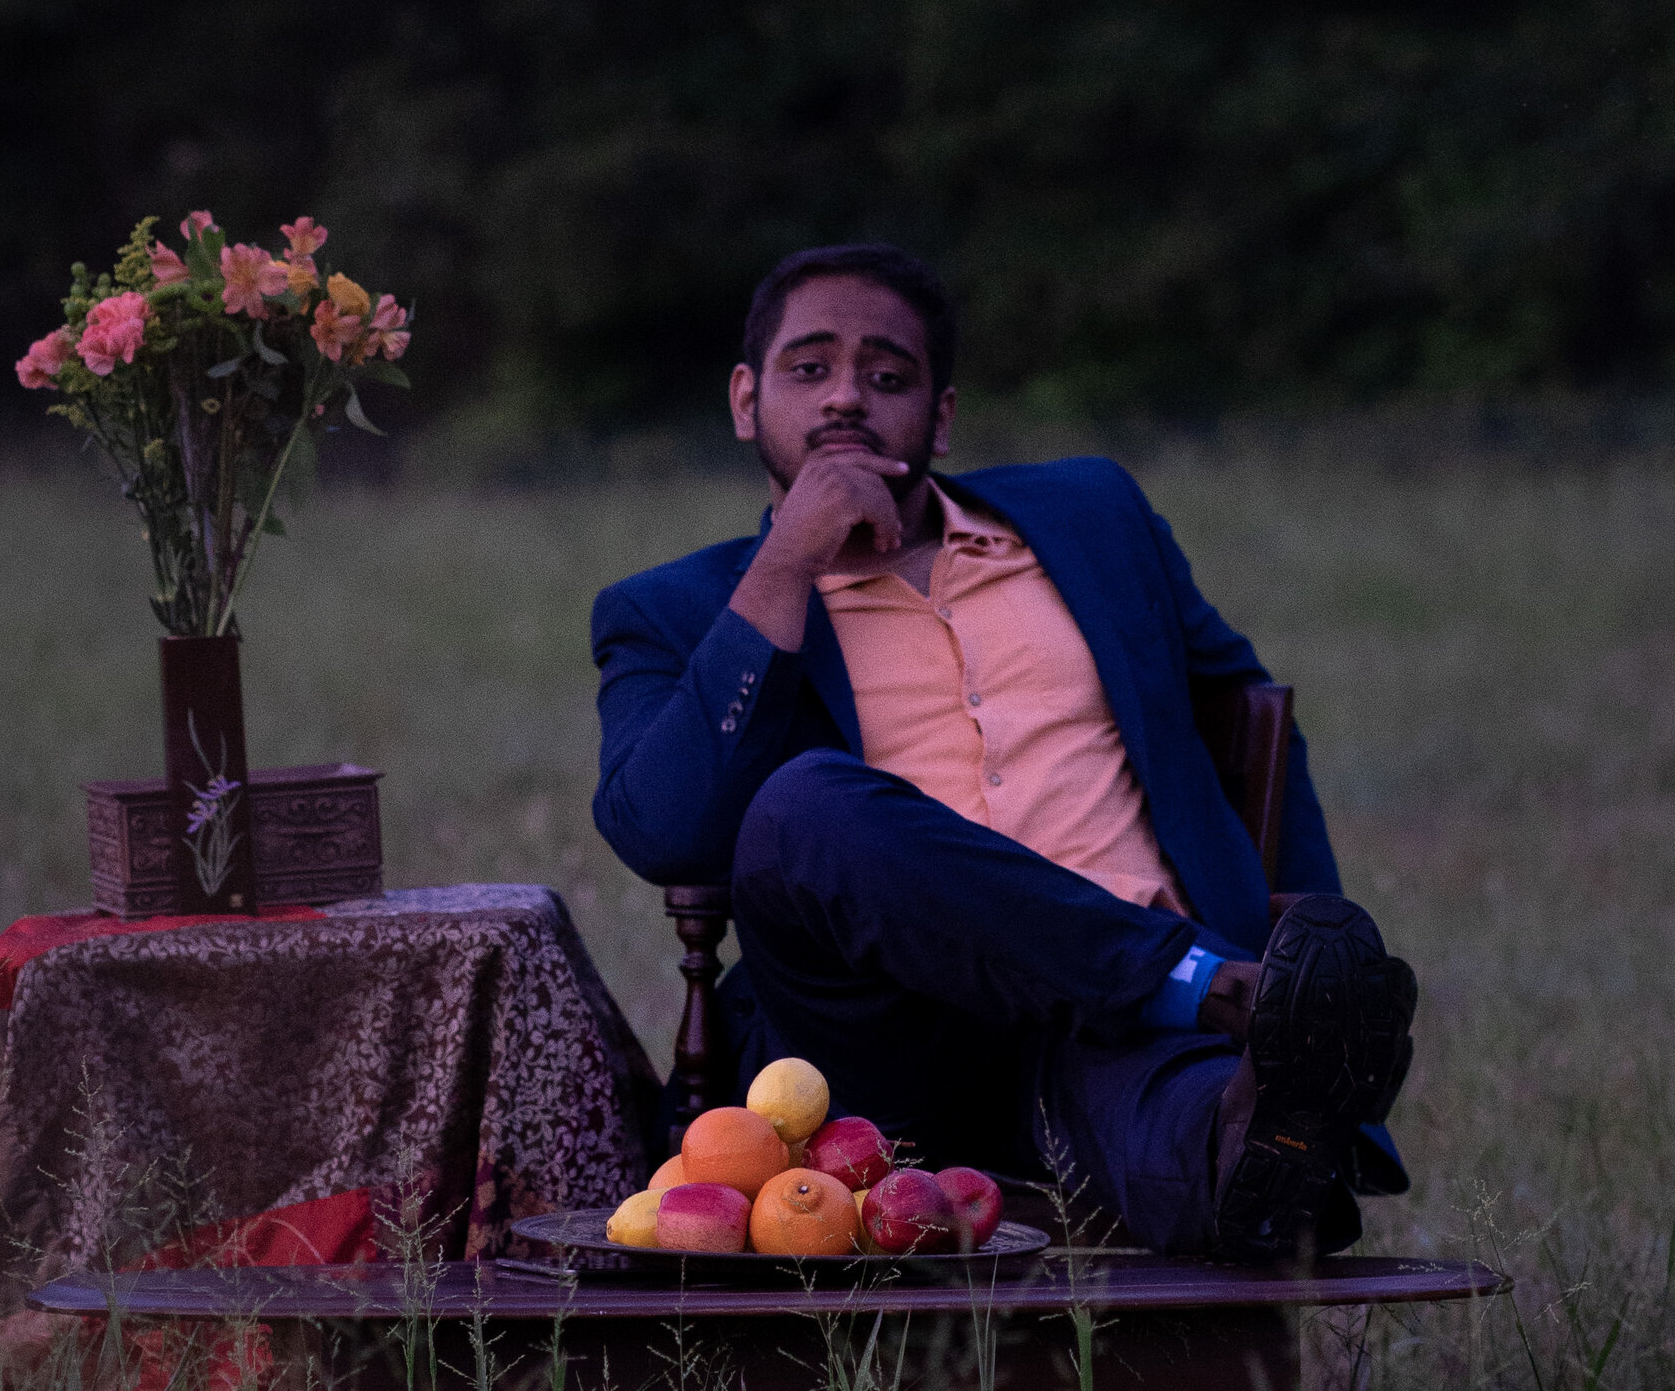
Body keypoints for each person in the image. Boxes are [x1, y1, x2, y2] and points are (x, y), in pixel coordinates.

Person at [590, 242, 1418, 1259]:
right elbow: (663, 830)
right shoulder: (670, 609)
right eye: (810, 370)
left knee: (1196, 1116)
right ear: (743, 400)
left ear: (939, 415)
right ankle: (1218, 991)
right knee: (805, 804)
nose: (846, 399)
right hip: (882, 1037)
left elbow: (1252, 720)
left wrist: (1312, 962)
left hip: (1116, 1020)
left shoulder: (1090, 520)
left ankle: (1256, 1154)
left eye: (887, 376)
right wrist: (786, 563)